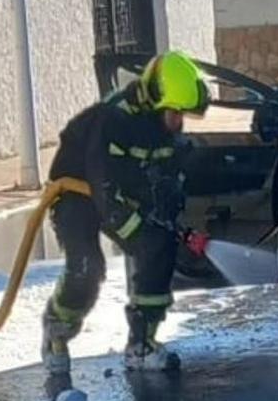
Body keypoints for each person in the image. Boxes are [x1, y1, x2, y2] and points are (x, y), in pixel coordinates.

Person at [41, 51, 209, 380]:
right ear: (155, 98)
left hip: (114, 189)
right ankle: (57, 331)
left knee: (157, 245)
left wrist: (165, 216)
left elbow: (162, 172)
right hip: (75, 191)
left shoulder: (162, 127)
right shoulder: (114, 120)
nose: (179, 121)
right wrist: (135, 227)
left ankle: (141, 344)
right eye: (175, 112)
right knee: (88, 268)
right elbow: (103, 184)